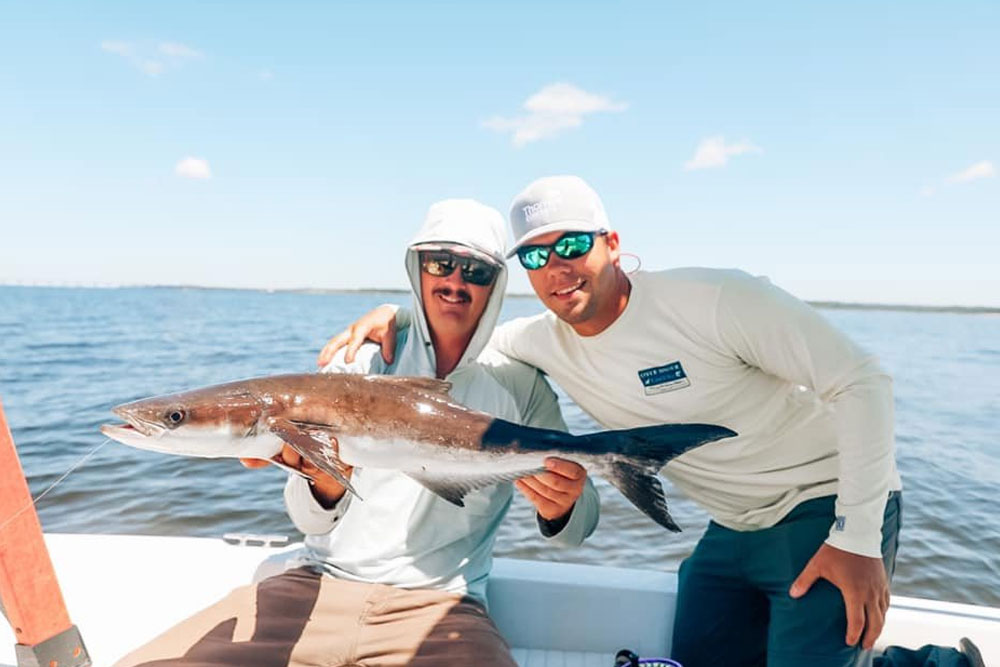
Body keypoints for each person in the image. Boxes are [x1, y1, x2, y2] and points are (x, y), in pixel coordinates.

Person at [319, 177, 983, 667]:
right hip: (735, 528)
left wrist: (860, 538)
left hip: (827, 509)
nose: (557, 268)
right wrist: (397, 316)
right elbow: (461, 330)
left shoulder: (716, 299)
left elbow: (865, 380)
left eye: (572, 244)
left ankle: (938, 663)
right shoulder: (538, 341)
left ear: (612, 244)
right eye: (535, 257)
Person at [114, 198, 599, 667]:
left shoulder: (520, 385)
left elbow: (580, 530)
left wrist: (564, 507)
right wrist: (323, 487)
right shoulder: (359, 359)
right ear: (417, 269)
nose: (455, 281)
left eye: (474, 271)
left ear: (495, 284)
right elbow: (308, 522)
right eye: (440, 263)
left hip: (441, 606)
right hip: (316, 584)